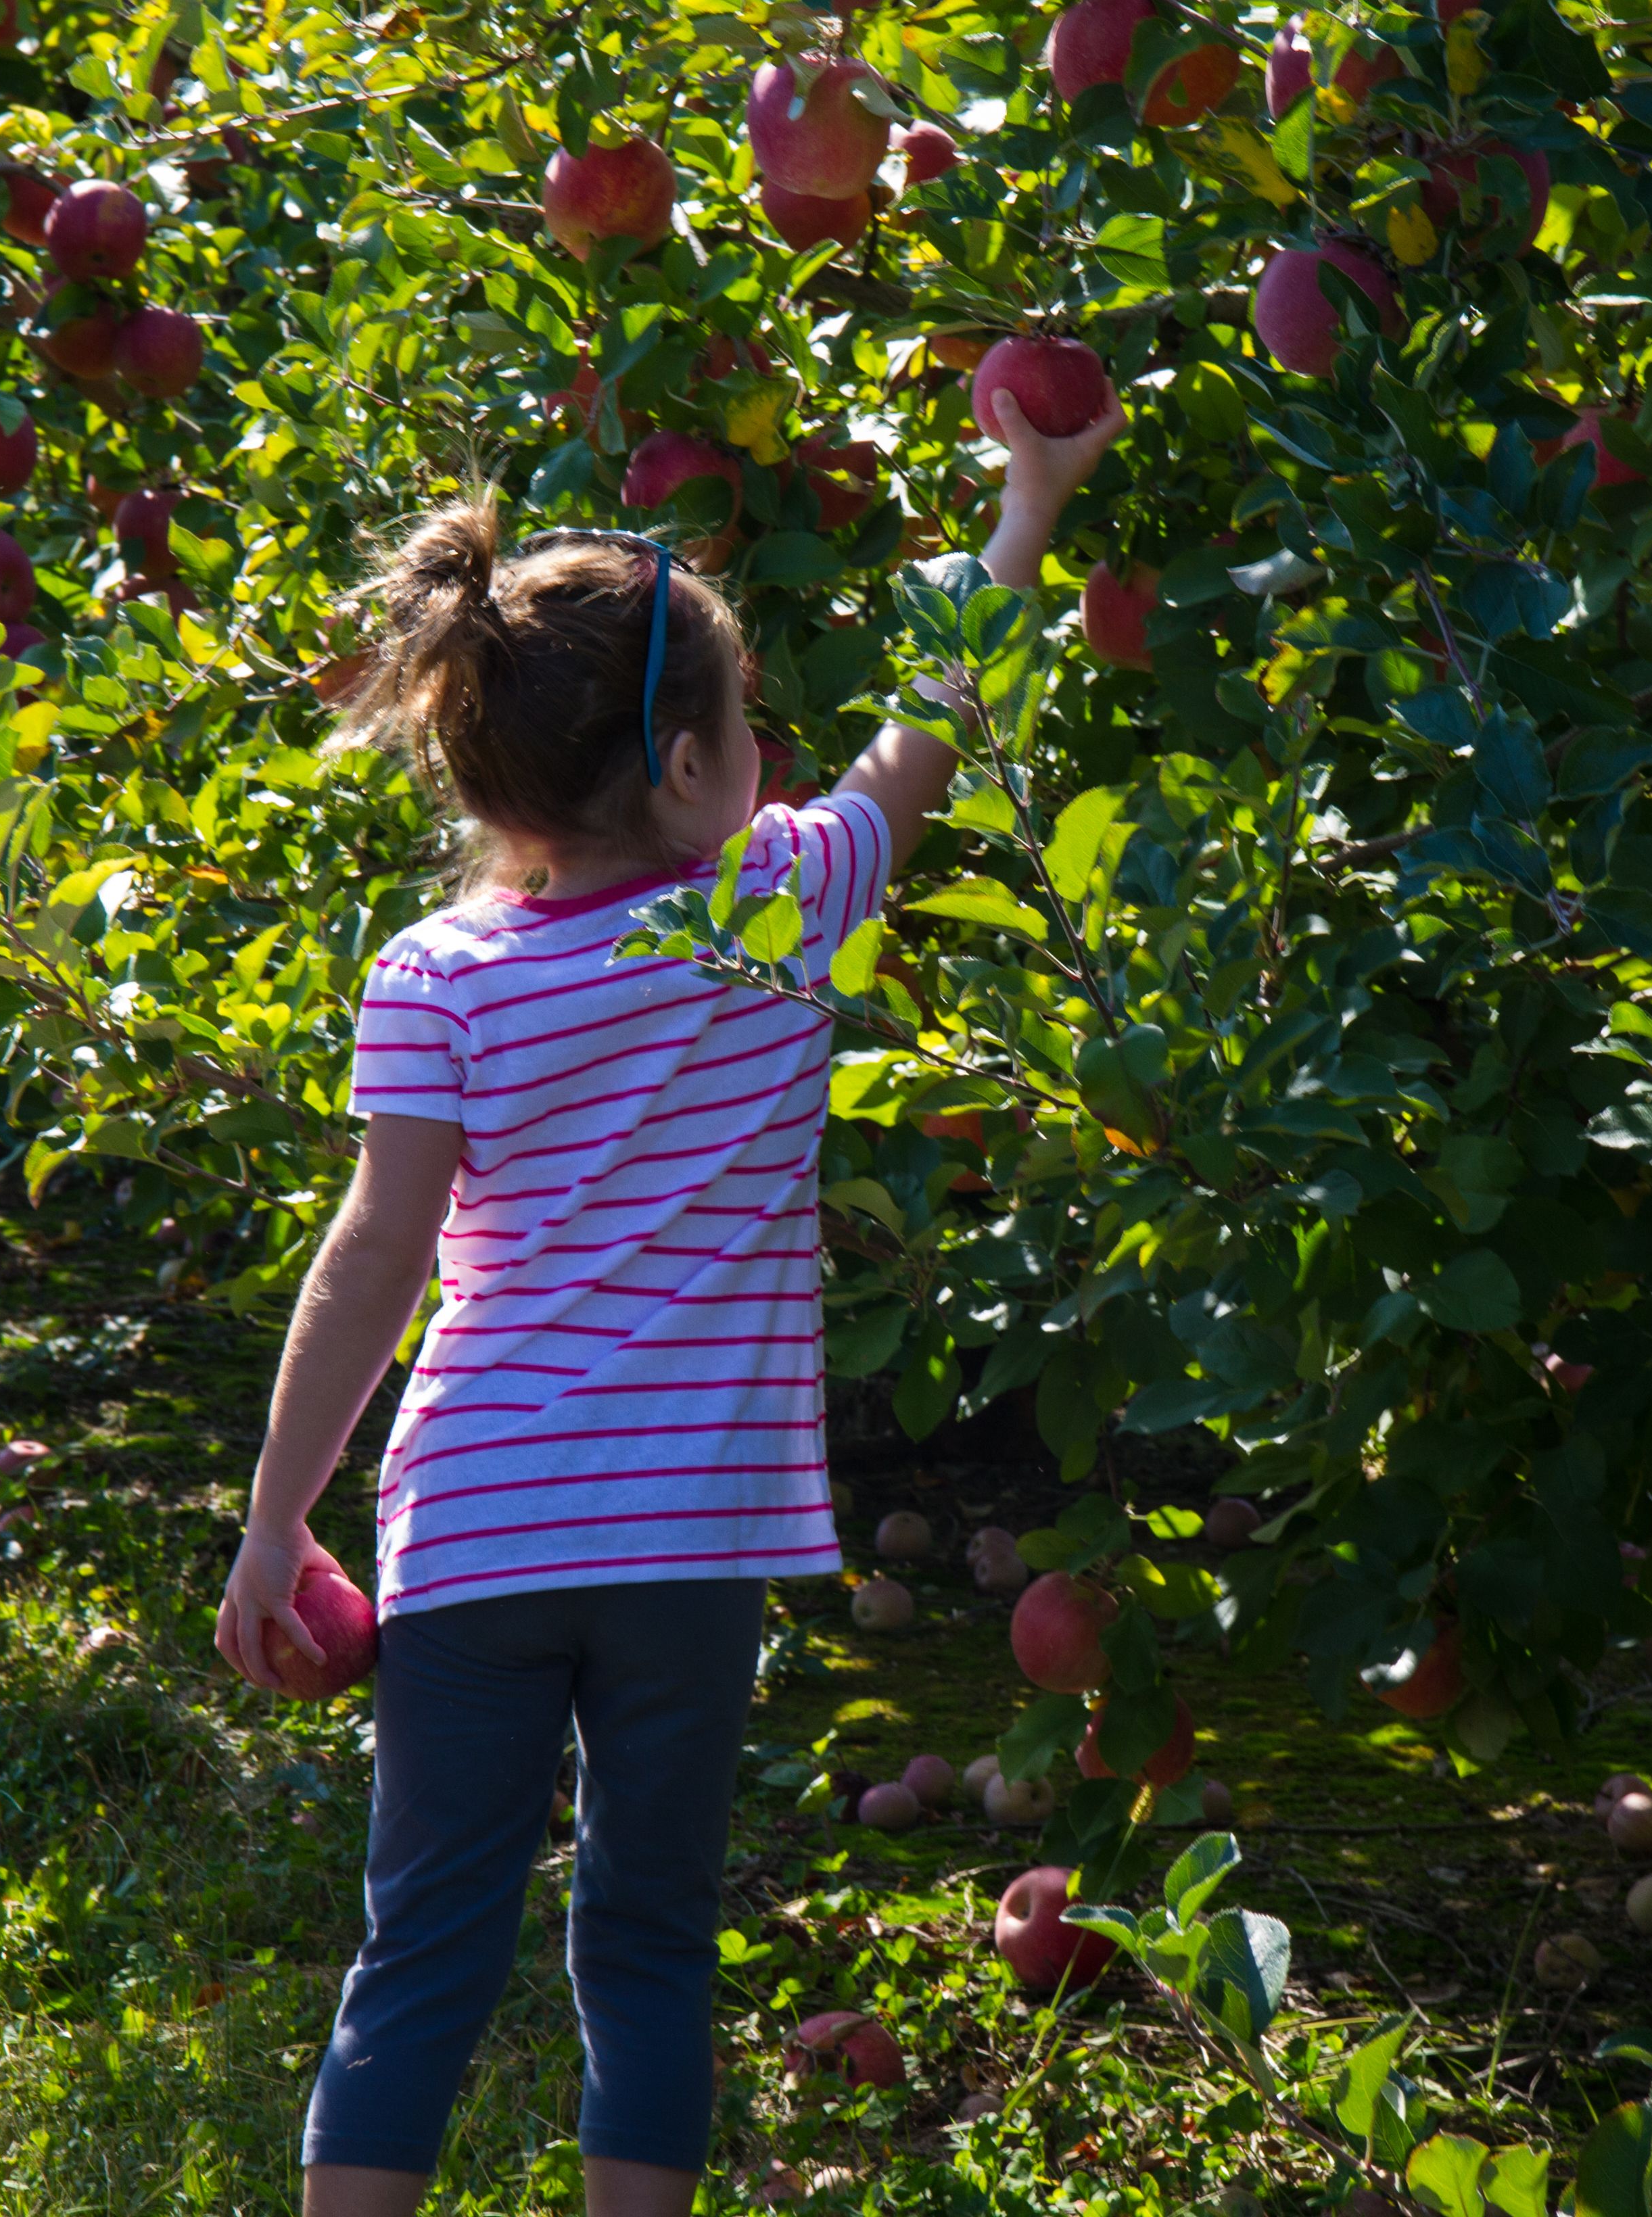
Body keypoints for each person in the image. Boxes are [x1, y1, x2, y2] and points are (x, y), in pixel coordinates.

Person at [215, 385, 1127, 2214]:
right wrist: (1028, 507)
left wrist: (272, 1519)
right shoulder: (783, 907)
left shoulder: (437, 976)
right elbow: (928, 729)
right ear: (702, 768)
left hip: (476, 1525)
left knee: (424, 1954)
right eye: (749, 719)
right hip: (689, 1542)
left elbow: (375, 1256)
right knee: (646, 1943)